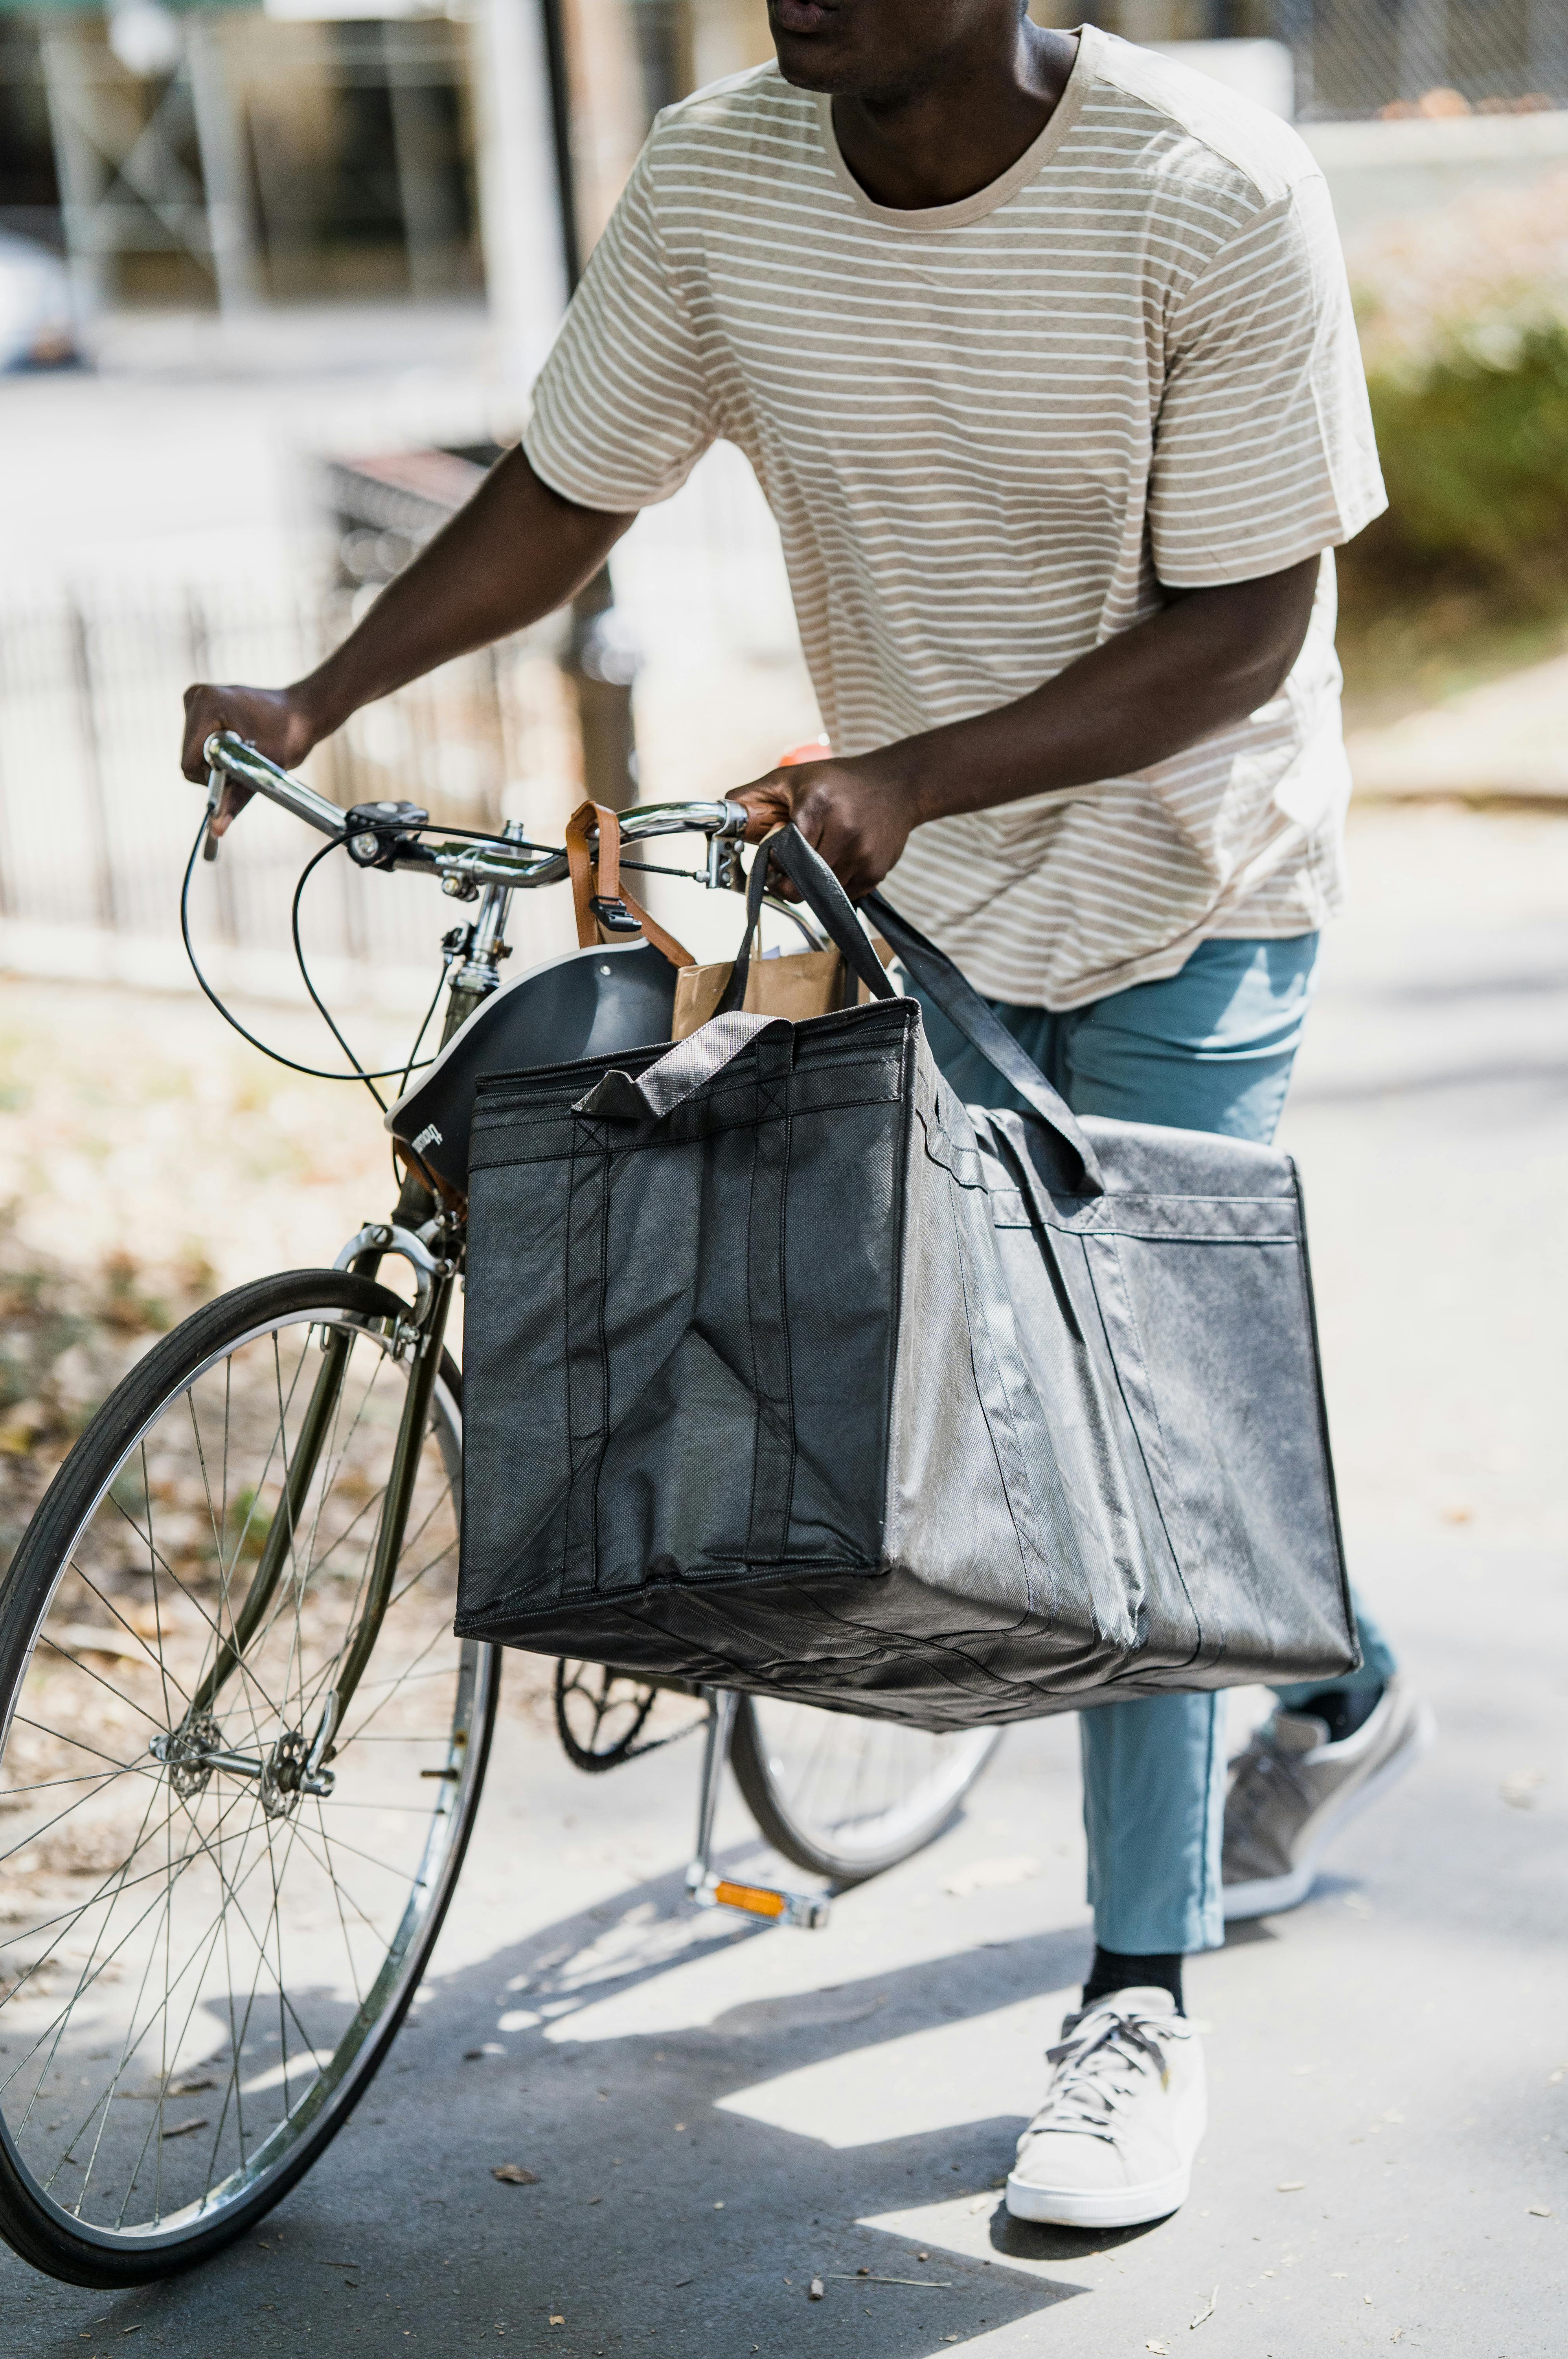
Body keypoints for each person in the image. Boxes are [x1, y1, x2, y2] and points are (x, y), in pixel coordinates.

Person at [182, 1, 1432, 2235]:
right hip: (931, 891)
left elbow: (1252, 623)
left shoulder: (1213, 194)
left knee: (1113, 1428)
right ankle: (1340, 1664)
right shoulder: (721, 179)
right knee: (1096, 1430)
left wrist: (915, 775)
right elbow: (569, 492)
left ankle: (1135, 1997)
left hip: (1197, 890)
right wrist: (326, 689)